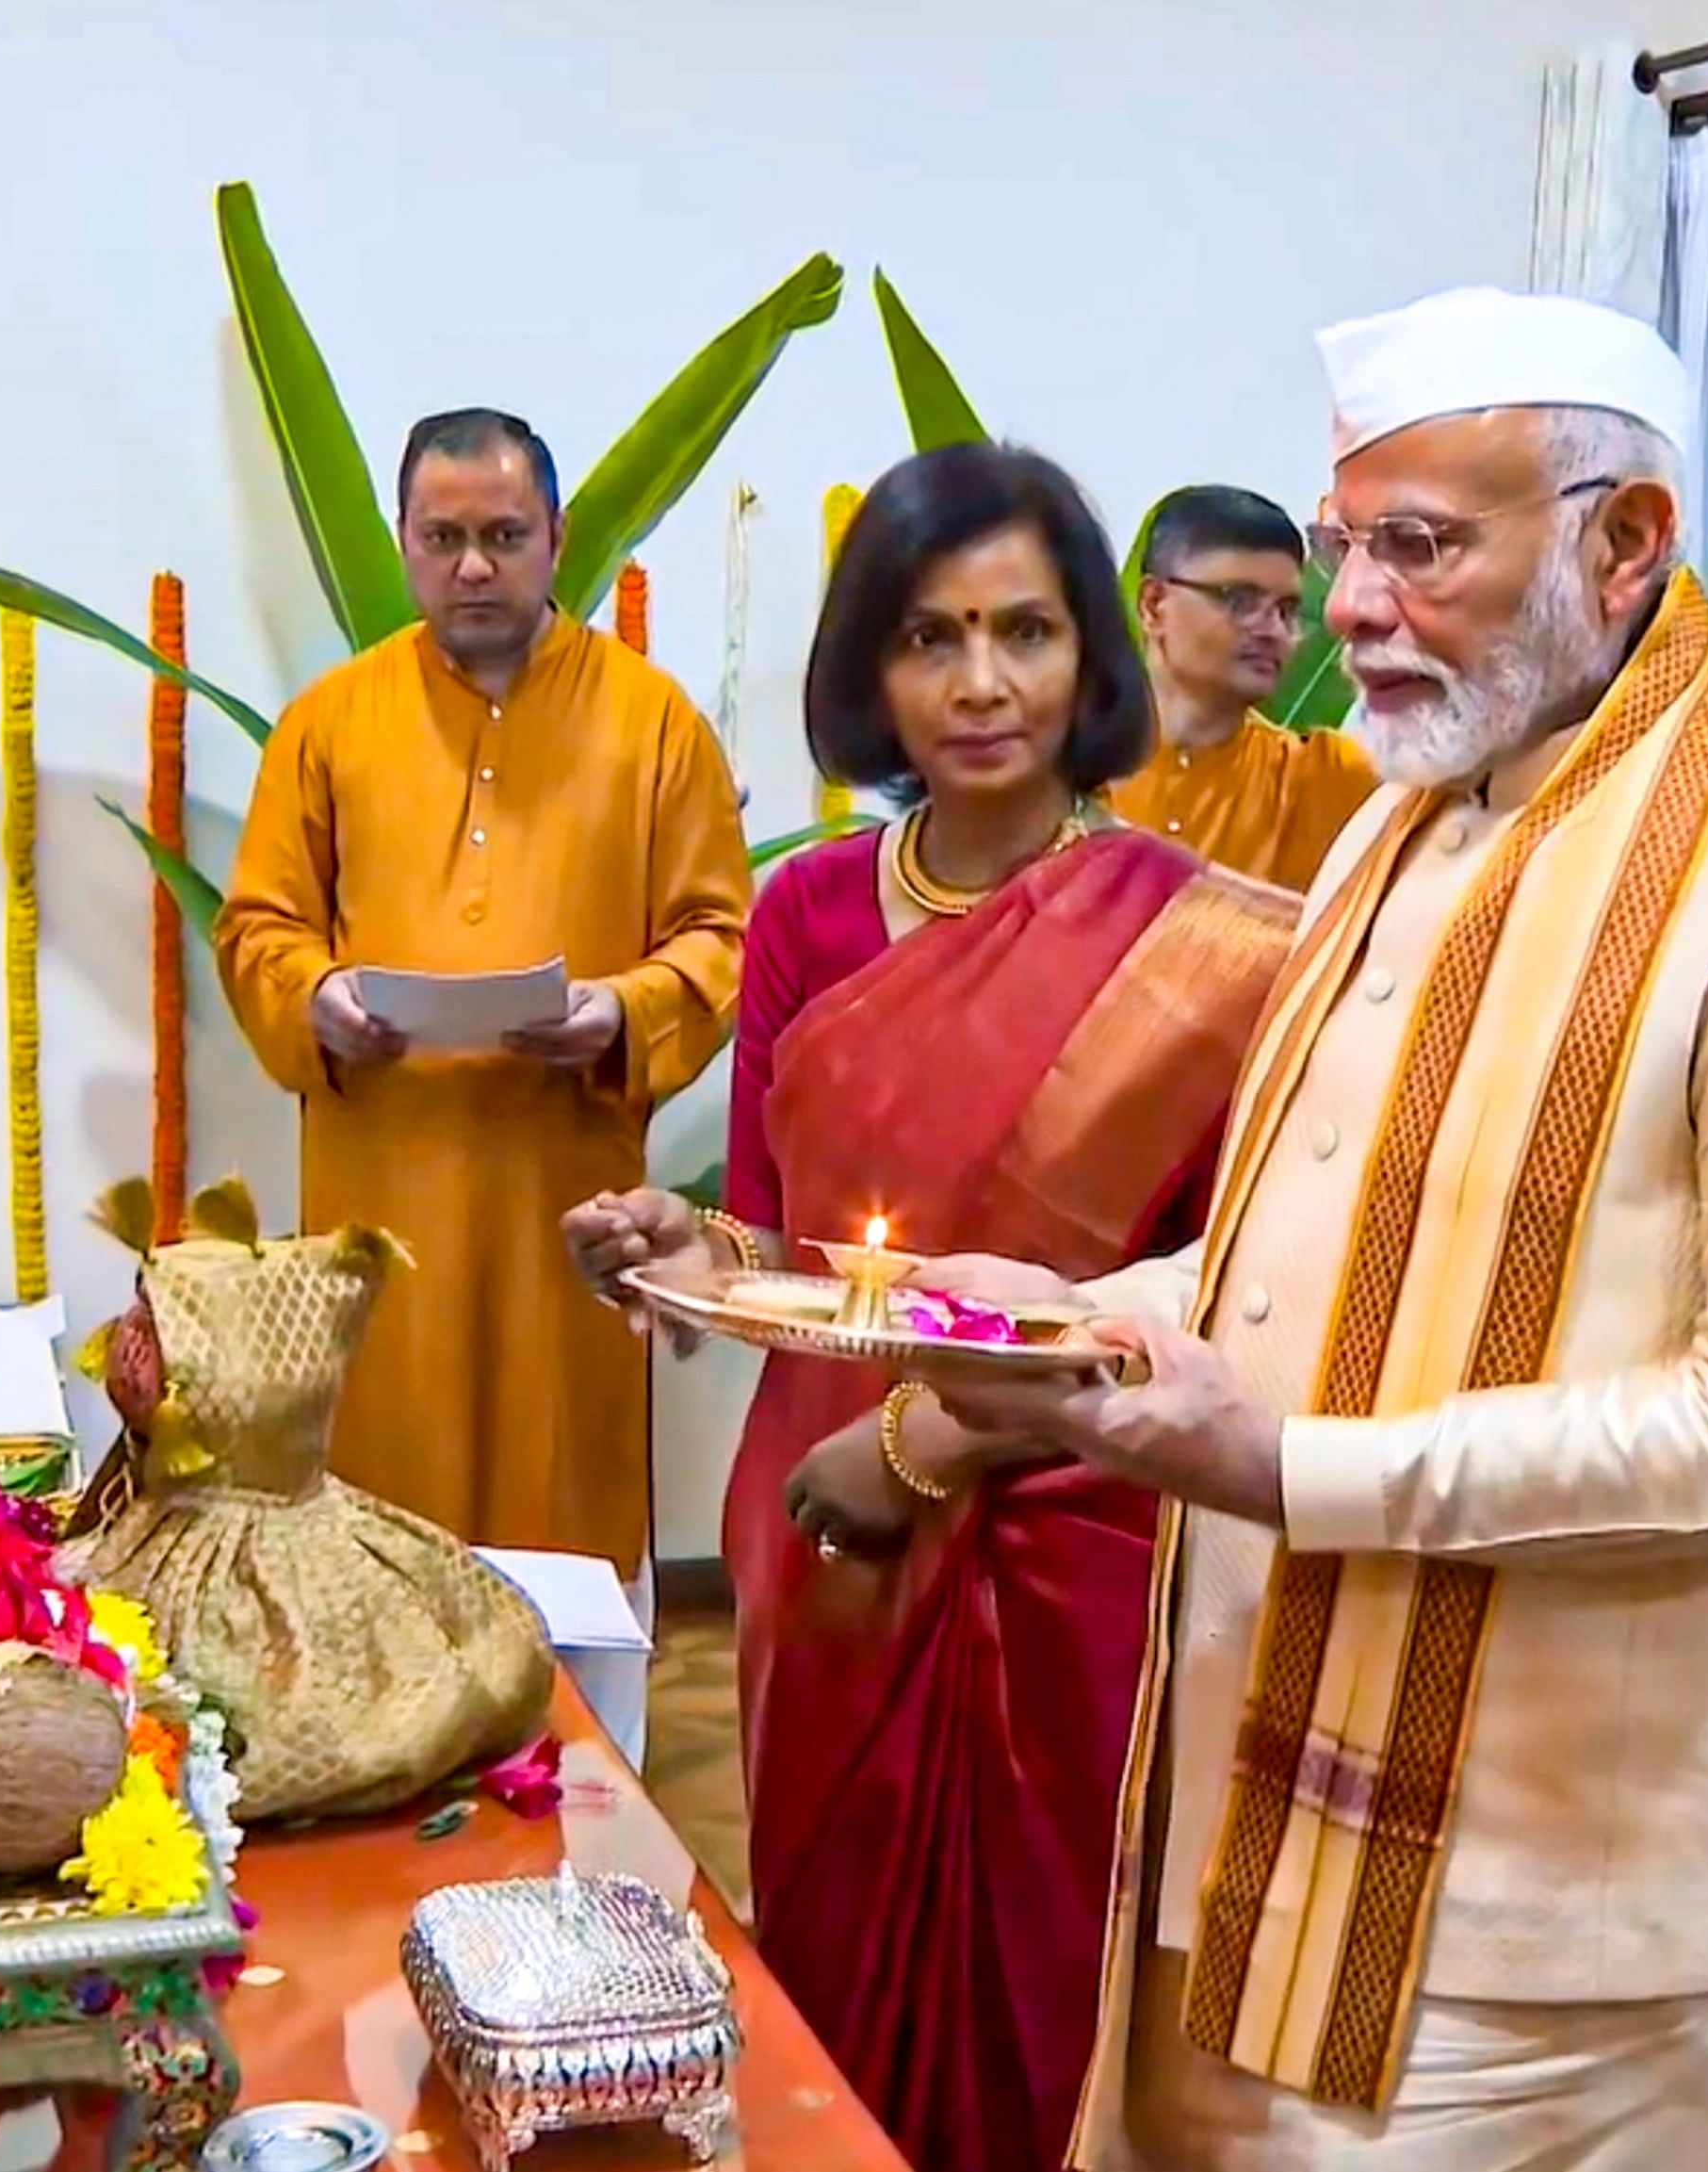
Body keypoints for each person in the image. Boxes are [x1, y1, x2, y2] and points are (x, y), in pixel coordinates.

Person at [913, 286, 1708, 2171]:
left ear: (1622, 543)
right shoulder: (1395, 832)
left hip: (1570, 1938)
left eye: (1417, 548)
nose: (1344, 611)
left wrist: (1290, 1466)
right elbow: (1291, 1261)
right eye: (1342, 549)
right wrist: (1061, 1324)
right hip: (1269, 1816)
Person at [560, 442, 1297, 2172]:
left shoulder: (1198, 947)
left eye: (1024, 634)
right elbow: (781, 1247)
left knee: (1048, 1978)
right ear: (867, 672)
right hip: (821, 1532)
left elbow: (1217, 1291)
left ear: (1091, 658)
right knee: (828, 1942)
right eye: (928, 638)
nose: (979, 685)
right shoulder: (812, 908)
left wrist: (941, 1440)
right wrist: (670, 1243)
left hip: (1077, 1525)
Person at [217, 408, 751, 1589]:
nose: (472, 564)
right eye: (443, 535)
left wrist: (620, 1010)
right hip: (382, 1190)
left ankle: (578, 1763)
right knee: (377, 1506)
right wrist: (317, 993)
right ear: (403, 541)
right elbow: (256, 927)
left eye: (503, 534)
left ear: (555, 538)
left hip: (563, 1194)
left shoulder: (653, 723)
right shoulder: (328, 723)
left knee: (561, 1504)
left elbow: (720, 939)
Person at [1106, 485, 1378, 890]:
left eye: (1285, 611)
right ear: (1153, 605)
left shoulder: (1330, 779)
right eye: (1238, 601)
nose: (1272, 631)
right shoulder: (1056, 761)